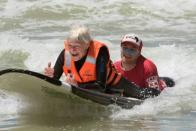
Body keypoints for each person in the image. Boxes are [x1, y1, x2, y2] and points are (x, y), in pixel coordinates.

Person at [44, 25, 160, 100]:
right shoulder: (66, 53)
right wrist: (51, 76)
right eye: (70, 46)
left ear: (87, 45)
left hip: (113, 84)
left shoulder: (99, 52)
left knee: (142, 94)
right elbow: (55, 80)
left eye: (76, 46)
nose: (72, 49)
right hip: (85, 86)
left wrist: (77, 85)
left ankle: (160, 89)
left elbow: (100, 87)